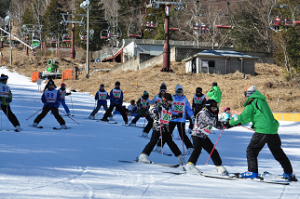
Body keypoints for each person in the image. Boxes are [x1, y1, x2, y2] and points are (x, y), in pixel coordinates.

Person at [227, 86, 297, 181]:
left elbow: (244, 116)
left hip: (263, 130)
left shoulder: (252, 102)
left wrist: (230, 122)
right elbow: (251, 117)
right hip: (272, 129)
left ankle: (252, 172)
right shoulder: (262, 101)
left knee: (251, 150)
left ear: (248, 95)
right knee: (278, 152)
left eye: (246, 95)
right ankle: (288, 173)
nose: (246, 98)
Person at [138, 93, 185, 165]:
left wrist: (177, 116)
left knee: (170, 142)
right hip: (158, 126)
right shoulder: (159, 105)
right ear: (164, 100)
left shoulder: (168, 109)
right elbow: (151, 111)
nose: (170, 103)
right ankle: (143, 156)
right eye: (169, 101)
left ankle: (180, 158)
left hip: (166, 127)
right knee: (153, 141)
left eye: (171, 101)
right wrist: (155, 110)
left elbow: (169, 117)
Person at [184, 99, 228, 175]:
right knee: (197, 150)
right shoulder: (203, 113)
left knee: (213, 151)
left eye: (215, 108)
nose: (214, 109)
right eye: (213, 108)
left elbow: (217, 125)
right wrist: (223, 124)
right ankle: (190, 165)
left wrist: (227, 125)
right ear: (208, 107)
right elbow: (213, 123)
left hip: (203, 136)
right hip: (197, 135)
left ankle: (219, 166)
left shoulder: (210, 113)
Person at [155, 84, 195, 155]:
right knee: (167, 133)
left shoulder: (184, 99)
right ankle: (159, 146)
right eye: (178, 92)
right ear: (176, 91)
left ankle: (190, 148)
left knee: (182, 135)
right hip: (172, 119)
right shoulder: (172, 98)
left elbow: (188, 108)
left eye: (181, 92)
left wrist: (192, 116)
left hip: (181, 119)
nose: (180, 94)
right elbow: (167, 106)